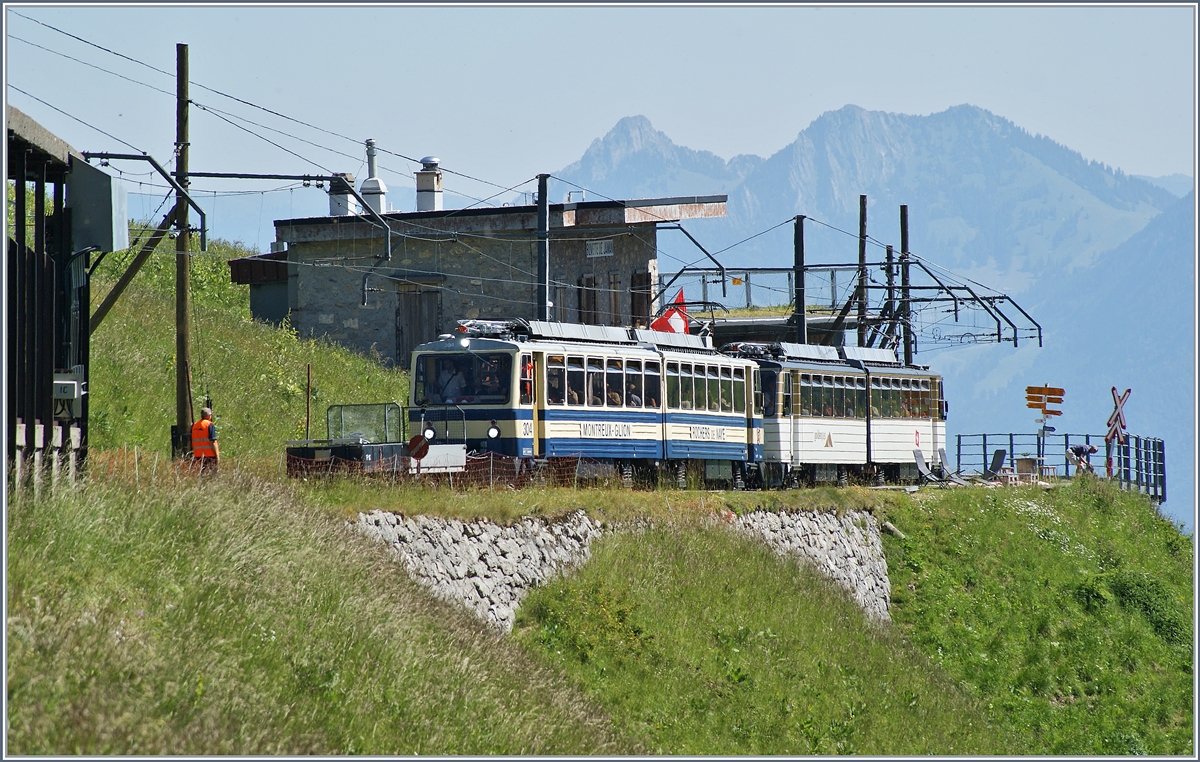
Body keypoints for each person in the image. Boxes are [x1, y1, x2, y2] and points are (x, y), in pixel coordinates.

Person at [190, 407, 220, 475]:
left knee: (201, 476)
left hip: (197, 456)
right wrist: (217, 456)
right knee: (211, 477)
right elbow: (212, 442)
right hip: (210, 456)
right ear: (209, 416)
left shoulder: (195, 426)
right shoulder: (209, 425)